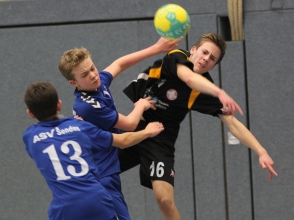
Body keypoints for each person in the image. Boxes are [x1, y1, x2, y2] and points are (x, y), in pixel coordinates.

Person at [58, 36, 242, 220]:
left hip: (106, 164)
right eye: (85, 74)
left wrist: (155, 48)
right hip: (99, 169)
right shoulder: (89, 105)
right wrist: (142, 108)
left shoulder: (97, 83)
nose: (93, 74)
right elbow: (128, 129)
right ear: (74, 83)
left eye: (92, 68)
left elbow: (119, 64)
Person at [119, 33, 278, 220]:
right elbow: (187, 78)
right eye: (204, 52)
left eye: (212, 59)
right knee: (94, 169)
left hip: (160, 138)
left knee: (165, 201)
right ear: (193, 50)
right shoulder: (176, 57)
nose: (205, 59)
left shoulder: (205, 89)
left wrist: (261, 151)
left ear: (214, 65)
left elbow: (233, 124)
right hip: (135, 124)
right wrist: (220, 92)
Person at [22, 82, 164, 220]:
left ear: (30, 114)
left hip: (65, 209)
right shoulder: (80, 126)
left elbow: (54, 137)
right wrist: (146, 132)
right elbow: (123, 141)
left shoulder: (30, 137)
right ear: (59, 104)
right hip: (96, 200)